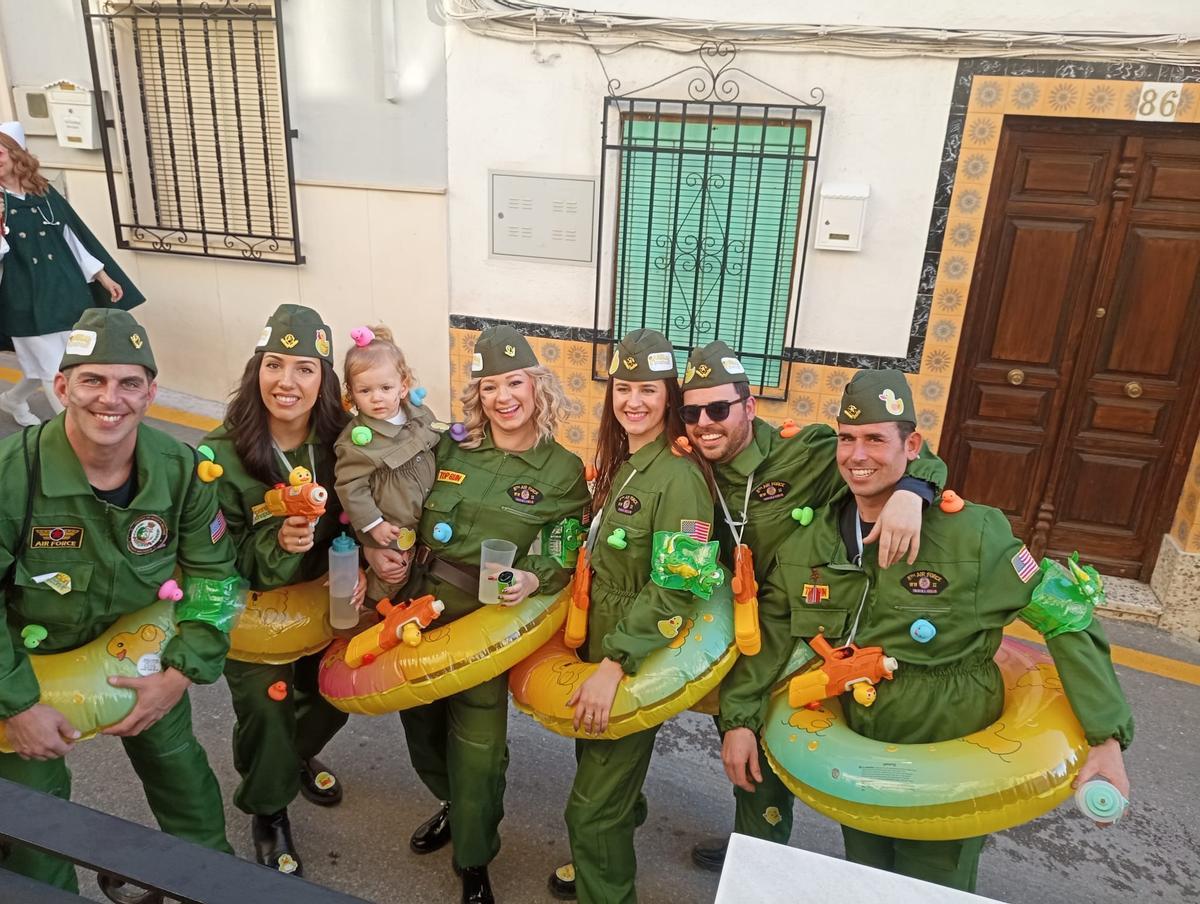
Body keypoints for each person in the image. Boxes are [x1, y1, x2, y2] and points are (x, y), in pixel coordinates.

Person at [726, 368, 1133, 891]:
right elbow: (775, 633)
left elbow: (1066, 615)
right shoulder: (813, 543)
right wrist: (739, 719)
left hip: (950, 736)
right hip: (863, 738)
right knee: (868, 878)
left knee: (931, 887)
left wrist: (1106, 737)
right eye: (847, 440)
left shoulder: (972, 534)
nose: (857, 455)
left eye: (875, 439)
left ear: (911, 444)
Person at [679, 342, 946, 870]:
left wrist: (912, 493)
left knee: (782, 746)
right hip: (733, 629)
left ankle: (766, 859)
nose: (704, 422)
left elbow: (905, 453)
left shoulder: (806, 452)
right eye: (691, 412)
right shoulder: (685, 465)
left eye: (718, 409)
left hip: (803, 625)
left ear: (749, 407)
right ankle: (754, 848)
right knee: (744, 751)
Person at [0, 308, 239, 900]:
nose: (112, 399)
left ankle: (213, 885)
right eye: (93, 380)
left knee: (182, 773)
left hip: (141, 653)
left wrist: (180, 674)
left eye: (129, 383)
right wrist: (17, 705)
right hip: (29, 666)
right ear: (62, 387)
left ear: (151, 392)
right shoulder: (11, 476)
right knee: (35, 818)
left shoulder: (181, 470)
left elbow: (215, 577)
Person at [383, 325, 589, 904]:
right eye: (490, 385)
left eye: (515, 382)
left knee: (478, 746)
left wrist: (536, 575)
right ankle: (449, 802)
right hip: (421, 603)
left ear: (536, 386)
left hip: (488, 617)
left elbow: (566, 543)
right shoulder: (451, 445)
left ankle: (473, 860)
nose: (504, 397)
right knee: (420, 725)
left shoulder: (562, 470)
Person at [548, 329, 717, 904]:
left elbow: (678, 586)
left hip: (632, 646)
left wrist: (616, 662)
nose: (633, 402)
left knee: (589, 813)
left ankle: (606, 871)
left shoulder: (681, 478)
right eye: (623, 388)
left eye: (648, 389)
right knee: (597, 762)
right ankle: (615, 830)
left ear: (669, 395)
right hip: (596, 634)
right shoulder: (627, 462)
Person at [202, 304, 364, 876]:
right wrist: (278, 542)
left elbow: (370, 512)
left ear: (324, 380)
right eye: (275, 365)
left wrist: (368, 557)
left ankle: (288, 757)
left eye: (304, 368)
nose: (287, 382)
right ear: (256, 370)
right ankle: (267, 807)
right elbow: (212, 558)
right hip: (252, 609)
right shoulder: (218, 457)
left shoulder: (345, 441)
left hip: (328, 599)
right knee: (268, 710)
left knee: (331, 696)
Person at [0, 121, 143, 428]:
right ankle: (74, 435)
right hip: (24, 296)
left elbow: (74, 239)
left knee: (68, 360)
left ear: (16, 155)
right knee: (55, 369)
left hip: (66, 290)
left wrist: (103, 276)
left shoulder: (44, 192)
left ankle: (11, 400)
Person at [334, 325, 440, 604]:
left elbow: (436, 441)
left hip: (427, 516)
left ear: (403, 386)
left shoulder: (419, 415)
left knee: (424, 571)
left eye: (385, 388)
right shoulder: (356, 443)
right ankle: (372, 613)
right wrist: (373, 525)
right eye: (365, 390)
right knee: (392, 575)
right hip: (391, 528)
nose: (376, 397)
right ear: (352, 394)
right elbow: (350, 486)